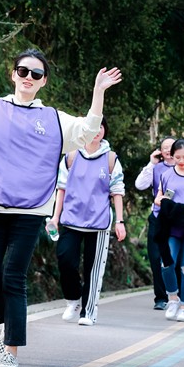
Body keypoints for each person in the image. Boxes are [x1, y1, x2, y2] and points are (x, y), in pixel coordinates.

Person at [0, 44, 121, 367]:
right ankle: (8, 323)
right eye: (23, 71)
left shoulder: (54, 119)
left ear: (44, 80)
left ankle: (11, 350)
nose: (28, 77)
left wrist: (98, 93)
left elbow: (87, 131)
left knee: (13, 277)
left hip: (31, 211)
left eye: (36, 73)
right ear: (13, 75)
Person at [48, 119, 126, 326]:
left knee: (93, 269)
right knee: (65, 260)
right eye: (94, 126)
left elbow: (117, 191)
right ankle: (73, 299)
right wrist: (55, 217)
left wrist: (120, 221)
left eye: (101, 127)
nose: (97, 131)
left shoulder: (111, 159)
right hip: (71, 219)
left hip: (99, 222)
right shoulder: (71, 156)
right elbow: (61, 189)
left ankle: (88, 312)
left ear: (105, 131)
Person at [155, 139, 184, 322]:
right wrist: (163, 201)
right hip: (171, 226)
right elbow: (159, 196)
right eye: (177, 157)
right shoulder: (167, 175)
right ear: (172, 156)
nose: (181, 161)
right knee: (166, 262)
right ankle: (173, 298)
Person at [134, 137, 176, 310]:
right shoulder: (156, 168)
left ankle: (176, 294)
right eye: (165, 147)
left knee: (174, 256)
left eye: (172, 147)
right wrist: (151, 163)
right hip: (158, 217)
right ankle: (161, 297)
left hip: (178, 219)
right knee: (155, 256)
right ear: (160, 151)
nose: (168, 150)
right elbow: (140, 185)